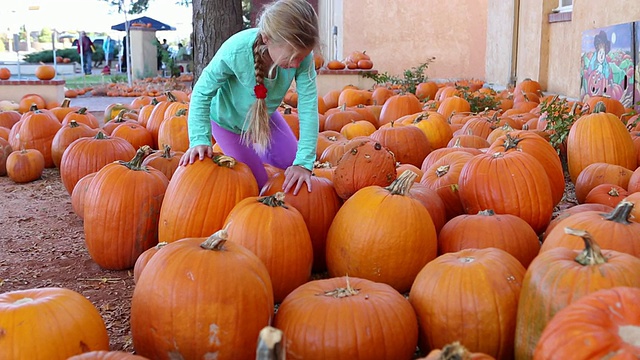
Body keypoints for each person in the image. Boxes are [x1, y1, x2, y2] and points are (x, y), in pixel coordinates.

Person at [179, 0, 319, 196]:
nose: (297, 64)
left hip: (263, 116)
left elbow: (308, 107)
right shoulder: (235, 51)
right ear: (266, 38)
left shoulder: (302, 56)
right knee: (255, 186)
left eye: (302, 57)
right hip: (227, 123)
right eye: (291, 57)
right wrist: (199, 139)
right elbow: (201, 92)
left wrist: (304, 163)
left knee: (293, 166)